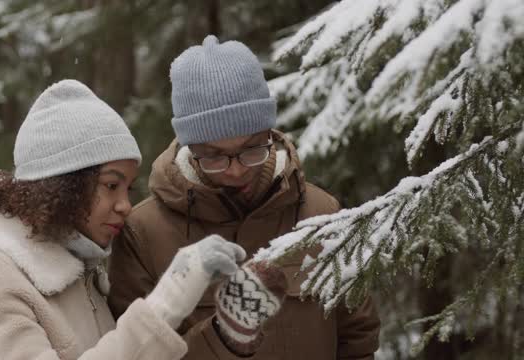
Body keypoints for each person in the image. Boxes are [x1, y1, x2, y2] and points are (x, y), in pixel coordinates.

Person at [108, 36, 381, 359]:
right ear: (189, 149)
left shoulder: (320, 212)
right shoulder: (144, 232)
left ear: (270, 134)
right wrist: (223, 334)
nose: (236, 171)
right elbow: (134, 355)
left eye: (251, 149)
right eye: (214, 157)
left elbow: (357, 336)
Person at [0, 79, 249, 360]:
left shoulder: (83, 277)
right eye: (111, 186)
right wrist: (169, 300)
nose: (126, 205)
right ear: (63, 185)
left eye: (128, 187)